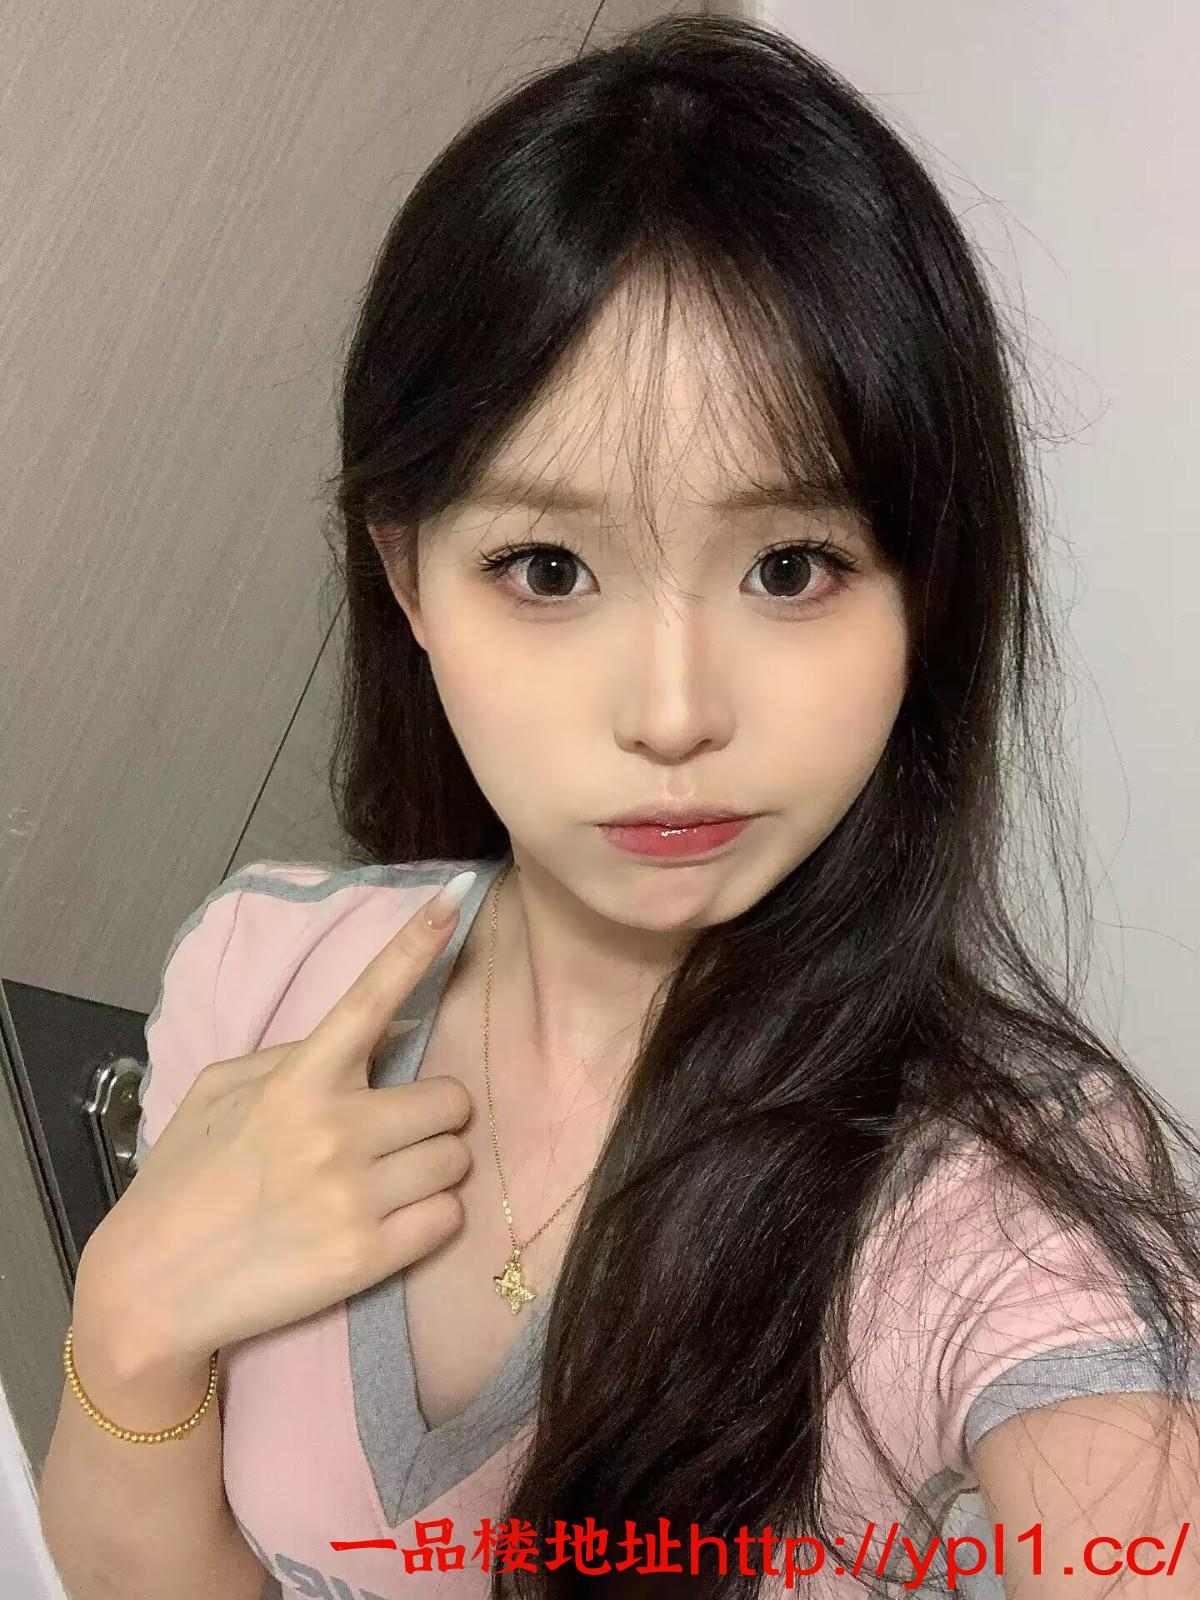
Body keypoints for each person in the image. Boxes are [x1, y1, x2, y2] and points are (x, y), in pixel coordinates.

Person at [37, 13, 1200, 1600]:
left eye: (790, 567)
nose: (671, 713)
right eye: (548, 567)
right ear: (409, 579)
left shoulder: (989, 1201)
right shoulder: (260, 975)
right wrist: (131, 1324)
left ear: (924, 590)